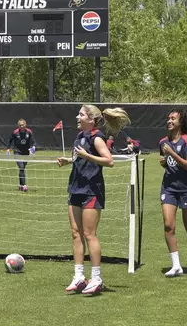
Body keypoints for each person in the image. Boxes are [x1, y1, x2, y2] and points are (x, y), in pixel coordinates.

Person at [57, 105, 130, 295]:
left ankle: (96, 278)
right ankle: (79, 276)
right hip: (75, 188)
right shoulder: (80, 137)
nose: (77, 117)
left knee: (90, 234)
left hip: (91, 190)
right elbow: (79, 158)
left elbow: (109, 161)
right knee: (75, 233)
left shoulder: (97, 137)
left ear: (91, 119)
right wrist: (69, 160)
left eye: (81, 114)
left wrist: (87, 155)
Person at [158, 109, 187, 277]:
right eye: (168, 118)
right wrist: (164, 162)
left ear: (181, 122)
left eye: (173, 118)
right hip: (168, 188)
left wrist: (172, 154)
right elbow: (168, 163)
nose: (169, 121)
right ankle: (176, 265)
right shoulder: (162, 142)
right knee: (168, 225)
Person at [6, 119, 36, 191]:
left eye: (23, 125)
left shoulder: (29, 132)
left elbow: (33, 141)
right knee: (21, 167)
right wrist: (8, 149)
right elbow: (10, 140)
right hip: (17, 152)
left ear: (25, 125)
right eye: (20, 125)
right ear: (18, 126)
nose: (21, 126)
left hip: (26, 152)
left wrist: (33, 148)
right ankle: (24, 185)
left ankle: (20, 185)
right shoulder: (15, 132)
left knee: (22, 168)